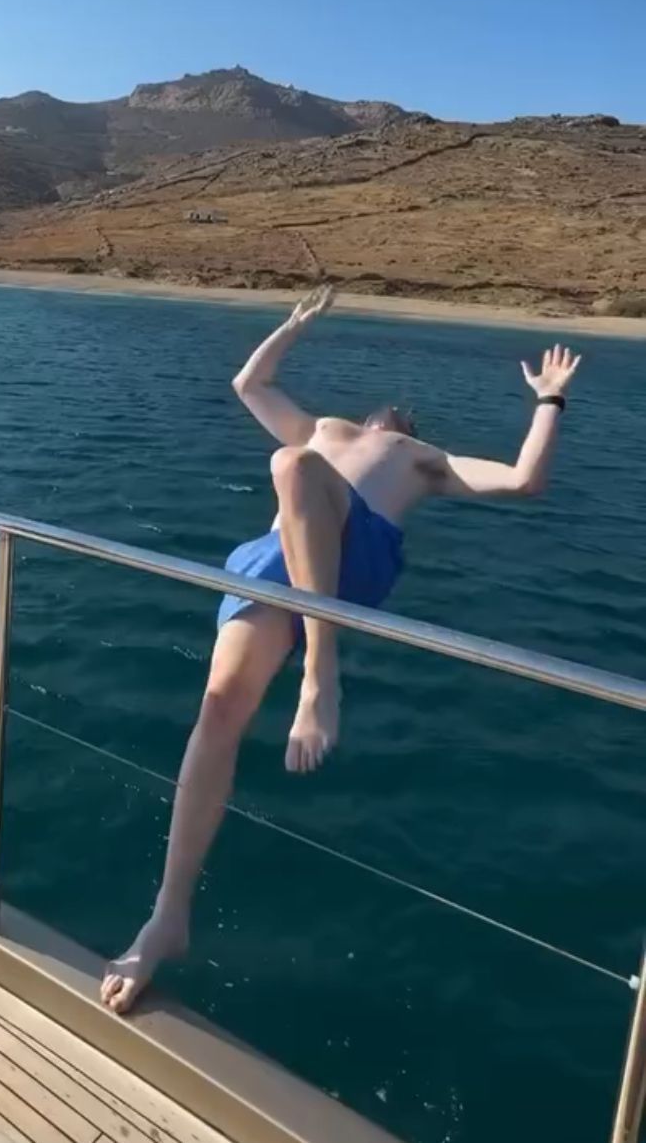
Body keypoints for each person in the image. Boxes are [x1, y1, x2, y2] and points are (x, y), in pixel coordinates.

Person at [101, 285, 580, 1014]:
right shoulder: (322, 427)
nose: (396, 416)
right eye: (392, 415)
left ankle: (319, 678)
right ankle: (168, 916)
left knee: (291, 466)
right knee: (219, 709)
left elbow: (523, 479)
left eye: (404, 419)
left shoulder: (423, 457)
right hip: (276, 557)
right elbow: (248, 383)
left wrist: (549, 400)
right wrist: (292, 326)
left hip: (351, 553)